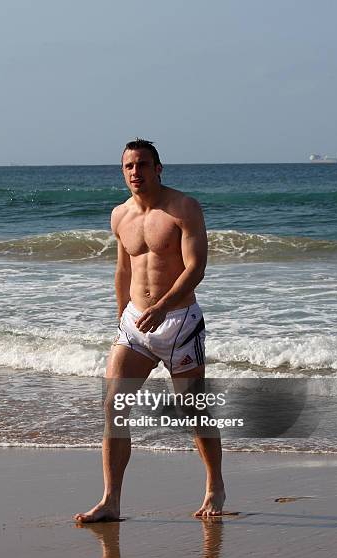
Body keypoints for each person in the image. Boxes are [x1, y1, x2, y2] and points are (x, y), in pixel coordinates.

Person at [74, 139, 225, 522]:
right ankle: (111, 500)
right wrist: (121, 312)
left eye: (142, 164)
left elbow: (196, 268)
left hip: (177, 323)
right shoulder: (119, 215)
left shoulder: (183, 208)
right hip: (135, 325)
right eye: (128, 166)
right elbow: (124, 268)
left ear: (159, 168)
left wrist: (161, 307)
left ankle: (214, 486)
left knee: (193, 411)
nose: (135, 172)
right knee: (114, 406)